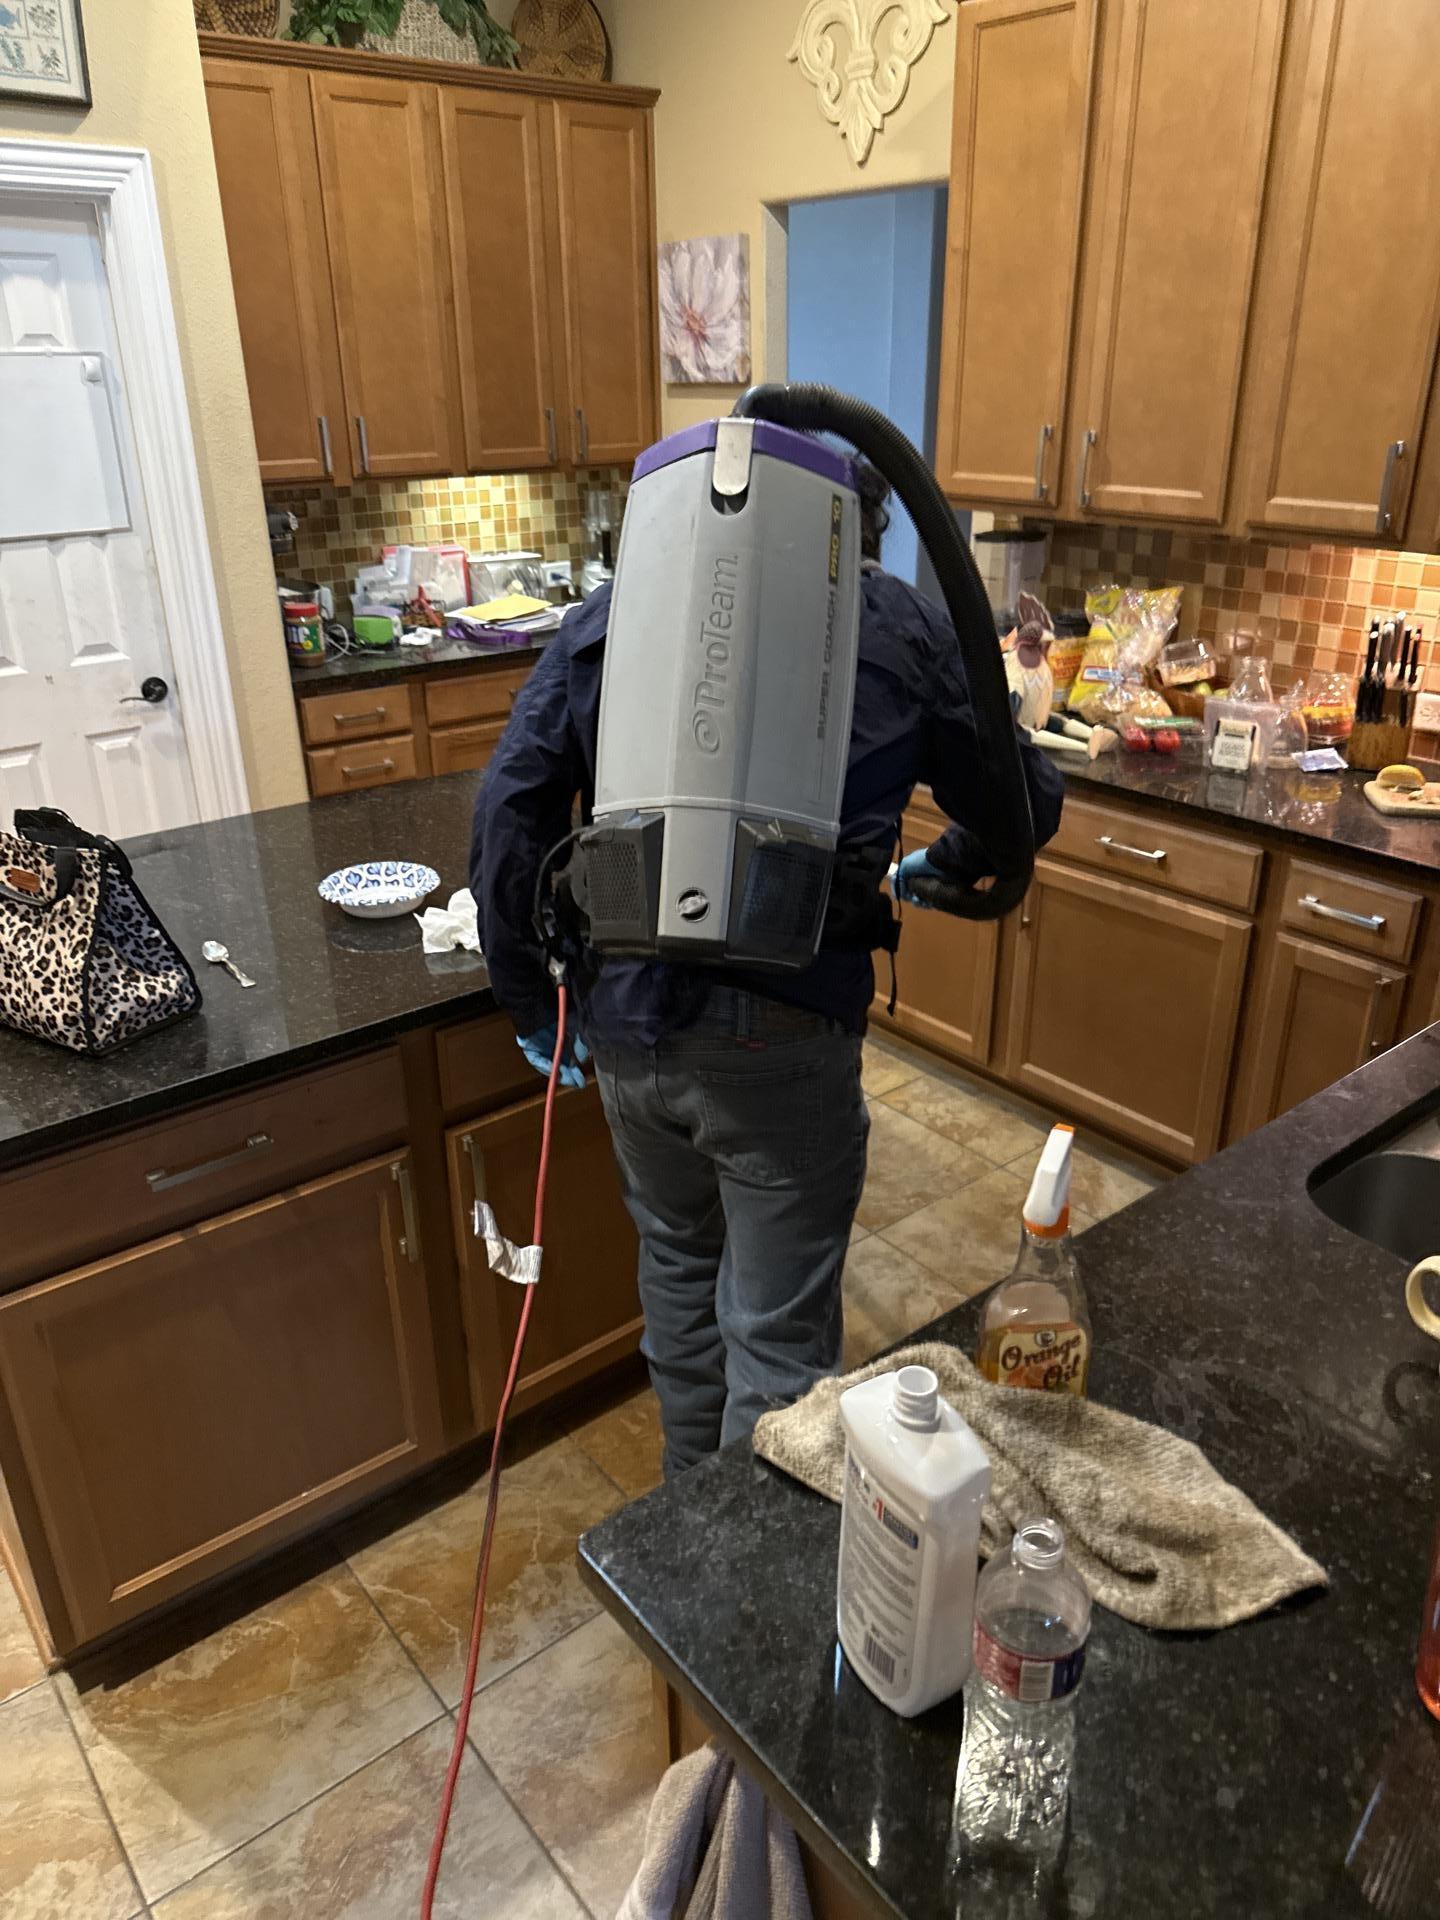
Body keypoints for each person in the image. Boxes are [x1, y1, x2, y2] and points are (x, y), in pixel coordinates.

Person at [471, 463, 1063, 1474]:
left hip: (626, 1029)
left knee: (678, 1266)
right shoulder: (897, 624)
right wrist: (945, 867)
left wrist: (530, 998)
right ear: (862, 524)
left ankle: (688, 1518)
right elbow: (1022, 801)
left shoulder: (613, 615)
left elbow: (508, 809)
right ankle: (737, 1591)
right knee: (777, 1339)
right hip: (784, 1037)